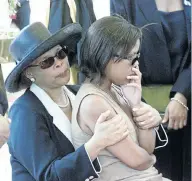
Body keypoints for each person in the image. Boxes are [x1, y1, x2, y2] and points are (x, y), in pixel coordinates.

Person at [5, 22, 130, 181]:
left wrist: (139, 109)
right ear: (29, 73)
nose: (59, 63)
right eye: (46, 62)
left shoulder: (80, 93)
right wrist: (96, 143)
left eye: (60, 53)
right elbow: (49, 176)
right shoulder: (23, 112)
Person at [72, 15, 170, 181]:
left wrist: (136, 104)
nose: (136, 65)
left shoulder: (117, 90)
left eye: (137, 56)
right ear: (105, 57)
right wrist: (150, 160)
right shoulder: (93, 103)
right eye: (132, 58)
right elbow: (139, 161)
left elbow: (147, 149)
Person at [110, 1, 191, 180]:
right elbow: (118, 50)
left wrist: (182, 95)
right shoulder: (124, 2)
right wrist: (137, 105)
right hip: (141, 107)